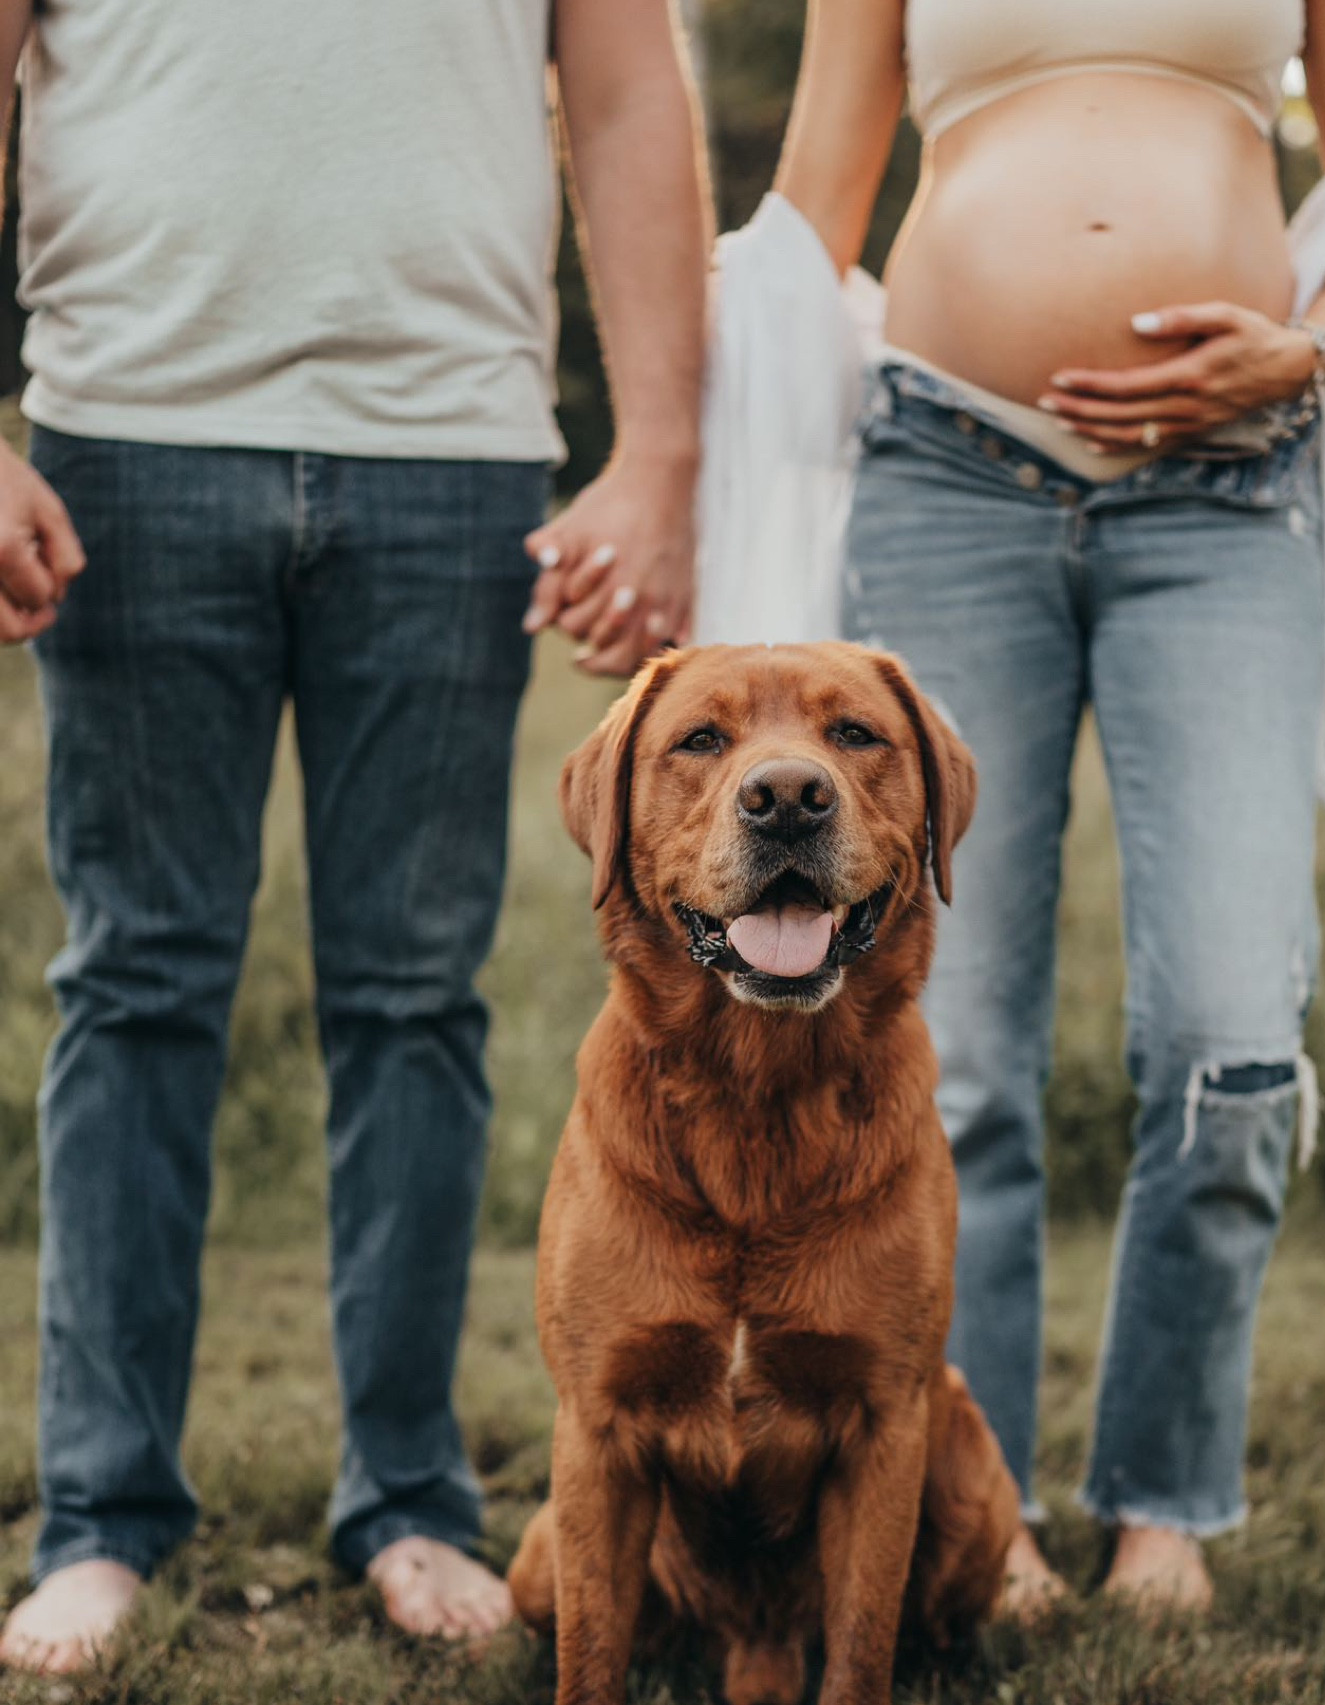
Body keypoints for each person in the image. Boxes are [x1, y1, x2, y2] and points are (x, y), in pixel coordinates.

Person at [0, 0, 706, 1675]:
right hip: (129, 439)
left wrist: (662, 455)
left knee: (414, 1000)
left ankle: (408, 1496)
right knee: (138, 983)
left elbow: (626, 97)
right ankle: (101, 1518)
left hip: (452, 456)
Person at [771, 0, 1325, 1615]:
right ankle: (985, 1505)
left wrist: (1311, 343)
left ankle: (1164, 1502)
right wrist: (694, 491)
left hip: (1233, 486)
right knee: (949, 1053)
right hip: (945, 477)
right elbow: (812, 214)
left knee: (1231, 1034)